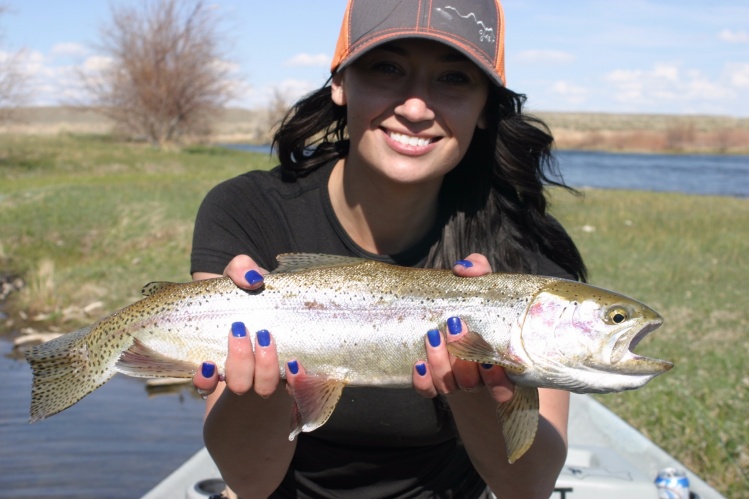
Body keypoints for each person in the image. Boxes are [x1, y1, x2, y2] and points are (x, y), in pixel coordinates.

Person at [191, 0, 586, 497]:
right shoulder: (249, 209)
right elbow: (248, 481)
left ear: (486, 106)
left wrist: (477, 387)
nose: (416, 108)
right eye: (387, 68)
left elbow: (526, 489)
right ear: (339, 83)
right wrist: (263, 390)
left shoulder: (523, 250)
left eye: (454, 79)